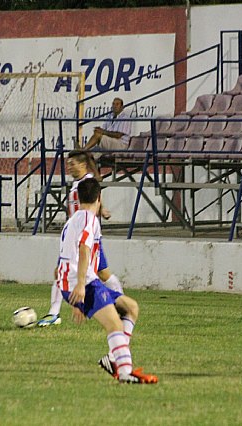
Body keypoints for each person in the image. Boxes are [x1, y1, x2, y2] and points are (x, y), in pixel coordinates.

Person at [56, 178, 157, 384]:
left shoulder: (73, 221)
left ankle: (113, 359)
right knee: (114, 325)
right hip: (83, 283)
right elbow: (84, 249)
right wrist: (80, 287)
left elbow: (63, 260)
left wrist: (76, 295)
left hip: (81, 281)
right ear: (99, 198)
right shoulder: (89, 220)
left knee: (131, 308)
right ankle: (125, 372)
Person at [37, 150, 124, 327]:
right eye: (68, 164)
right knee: (65, 271)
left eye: (72, 163)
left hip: (86, 237)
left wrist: (102, 210)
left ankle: (120, 305)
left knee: (100, 273)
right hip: (77, 235)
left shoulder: (87, 183)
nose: (69, 166)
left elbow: (94, 199)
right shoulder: (79, 183)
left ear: (83, 165)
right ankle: (53, 313)